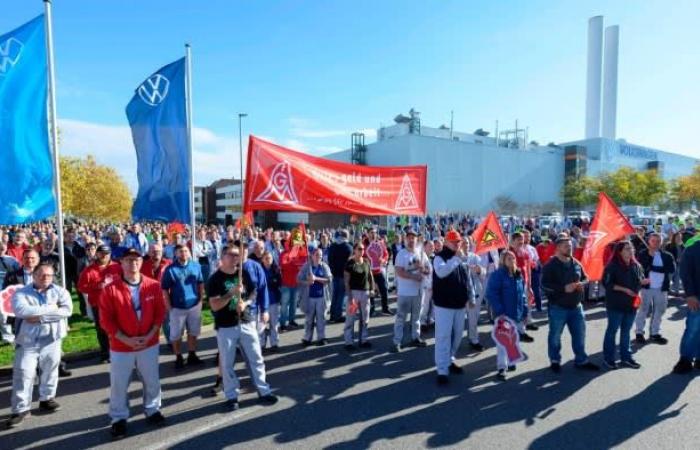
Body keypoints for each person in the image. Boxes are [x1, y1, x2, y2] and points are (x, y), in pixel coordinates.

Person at [99, 248, 166, 439]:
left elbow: (160, 313)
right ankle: (118, 418)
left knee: (152, 379)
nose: (133, 263)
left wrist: (151, 334)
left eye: (136, 260)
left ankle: (152, 409)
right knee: (119, 384)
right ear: (121, 263)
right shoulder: (110, 289)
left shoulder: (153, 285)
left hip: (149, 342)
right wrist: (125, 338)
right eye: (128, 260)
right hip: (122, 346)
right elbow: (106, 320)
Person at [206, 245, 278, 411]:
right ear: (222, 257)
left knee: (256, 358)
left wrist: (245, 302)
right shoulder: (215, 279)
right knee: (227, 363)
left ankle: (263, 390)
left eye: (237, 255)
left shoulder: (243, 273)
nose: (235, 258)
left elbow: (253, 292)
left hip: (246, 322)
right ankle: (231, 396)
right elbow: (215, 305)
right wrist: (231, 293)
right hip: (226, 326)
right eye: (231, 255)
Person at [7, 263, 73, 428]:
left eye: (49, 276)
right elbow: (22, 311)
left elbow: (67, 310)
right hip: (28, 341)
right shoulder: (21, 293)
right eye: (42, 275)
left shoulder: (60, 291)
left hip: (52, 338)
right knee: (23, 373)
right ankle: (21, 409)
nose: (46, 278)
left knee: (50, 369)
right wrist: (52, 308)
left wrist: (41, 317)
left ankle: (47, 398)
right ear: (34, 275)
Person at [541, 235, 599, 373]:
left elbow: (586, 278)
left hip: (576, 307)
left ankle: (581, 360)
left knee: (580, 335)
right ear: (558, 248)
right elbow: (544, 285)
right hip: (558, 308)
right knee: (555, 336)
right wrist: (563, 288)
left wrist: (582, 284)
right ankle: (554, 360)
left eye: (571, 246)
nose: (570, 248)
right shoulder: (550, 266)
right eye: (566, 246)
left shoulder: (576, 263)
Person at [432, 230, 472, 385]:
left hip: (459, 304)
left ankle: (450, 359)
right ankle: (442, 370)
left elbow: (465, 280)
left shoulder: (459, 259)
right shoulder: (439, 258)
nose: (457, 244)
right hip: (444, 304)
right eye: (454, 241)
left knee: (457, 336)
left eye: (458, 241)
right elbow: (441, 272)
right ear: (447, 242)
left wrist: (468, 297)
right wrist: (456, 258)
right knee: (443, 336)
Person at [601, 241, 645, 370]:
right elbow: (607, 284)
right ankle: (608, 359)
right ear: (619, 251)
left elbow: (639, 280)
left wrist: (642, 284)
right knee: (612, 331)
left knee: (626, 332)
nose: (631, 250)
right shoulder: (612, 266)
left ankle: (626, 357)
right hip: (616, 304)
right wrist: (625, 290)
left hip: (631, 305)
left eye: (632, 248)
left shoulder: (636, 265)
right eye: (627, 248)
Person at [161, 244, 205, 369]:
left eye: (186, 251)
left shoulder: (196, 266)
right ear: (176, 254)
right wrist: (169, 306)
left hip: (194, 305)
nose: (184, 253)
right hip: (177, 307)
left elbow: (200, 283)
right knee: (176, 335)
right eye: (181, 251)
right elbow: (164, 289)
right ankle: (178, 357)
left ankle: (192, 355)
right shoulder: (170, 269)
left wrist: (201, 300)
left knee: (193, 332)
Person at [486, 251, 528, 381]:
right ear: (503, 260)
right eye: (509, 258)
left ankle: (511, 361)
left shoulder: (517, 274)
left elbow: (522, 295)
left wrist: (525, 311)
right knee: (503, 342)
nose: (512, 260)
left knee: (513, 339)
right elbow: (491, 293)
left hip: (516, 313)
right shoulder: (497, 275)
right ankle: (501, 368)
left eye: (513, 258)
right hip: (503, 314)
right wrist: (499, 310)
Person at [78, 244, 122, 363]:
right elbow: (81, 287)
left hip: (117, 303)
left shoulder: (117, 267)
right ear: (97, 254)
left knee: (119, 327)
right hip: (99, 305)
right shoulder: (89, 270)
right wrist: (97, 286)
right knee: (102, 329)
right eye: (101, 253)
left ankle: (119, 350)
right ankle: (105, 353)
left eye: (106, 253)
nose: (104, 256)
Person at [391, 229, 430, 353]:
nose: (411, 240)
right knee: (401, 317)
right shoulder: (401, 254)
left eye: (413, 237)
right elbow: (399, 271)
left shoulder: (421, 254)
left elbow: (428, 270)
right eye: (409, 238)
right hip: (404, 292)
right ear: (405, 239)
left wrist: (422, 268)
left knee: (416, 317)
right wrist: (414, 276)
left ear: (416, 239)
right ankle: (397, 341)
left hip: (418, 292)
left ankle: (415, 337)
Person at [634, 233, 676, 346]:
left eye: (658, 241)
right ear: (649, 241)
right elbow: (640, 268)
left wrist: (654, 268)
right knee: (643, 310)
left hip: (662, 288)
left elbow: (671, 269)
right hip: (646, 288)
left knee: (659, 311)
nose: (656, 243)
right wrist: (650, 258)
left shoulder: (667, 255)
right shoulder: (643, 253)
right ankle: (639, 332)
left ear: (661, 242)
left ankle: (654, 333)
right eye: (653, 241)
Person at [673, 238, 700, 373]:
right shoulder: (692, 249)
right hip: (696, 297)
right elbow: (685, 273)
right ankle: (685, 360)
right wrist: (689, 295)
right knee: (693, 329)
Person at [297, 248, 332, 346]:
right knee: (309, 319)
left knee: (321, 318)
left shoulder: (324, 266)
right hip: (309, 297)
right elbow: (299, 279)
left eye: (320, 255)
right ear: (312, 256)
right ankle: (307, 338)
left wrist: (316, 278)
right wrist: (307, 282)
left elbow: (329, 279)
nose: (318, 257)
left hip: (321, 297)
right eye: (316, 255)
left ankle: (321, 337)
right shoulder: (306, 266)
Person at [343, 242, 375, 350]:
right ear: (354, 250)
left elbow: (370, 277)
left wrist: (372, 289)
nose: (362, 251)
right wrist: (350, 296)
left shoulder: (366, 261)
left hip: (365, 294)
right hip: (354, 293)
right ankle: (349, 342)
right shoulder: (350, 263)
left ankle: (364, 340)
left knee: (365, 318)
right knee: (350, 319)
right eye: (359, 249)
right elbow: (346, 281)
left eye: (363, 249)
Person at [141, 243, 172, 346]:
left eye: (158, 251)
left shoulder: (169, 264)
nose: (155, 254)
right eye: (153, 252)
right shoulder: (142, 265)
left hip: (165, 297)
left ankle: (171, 342)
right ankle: (151, 343)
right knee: (149, 323)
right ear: (149, 253)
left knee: (167, 322)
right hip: (148, 299)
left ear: (162, 252)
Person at [462, 238, 486, 352]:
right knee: (457, 319)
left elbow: (483, 272)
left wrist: (479, 270)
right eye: (461, 242)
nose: (464, 245)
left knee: (473, 317)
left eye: (466, 242)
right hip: (460, 292)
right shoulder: (454, 257)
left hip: (475, 291)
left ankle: (474, 339)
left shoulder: (475, 257)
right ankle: (453, 341)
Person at [328, 230, 353, 323]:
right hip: (344, 274)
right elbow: (350, 263)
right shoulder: (348, 247)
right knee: (341, 295)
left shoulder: (333, 246)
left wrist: (332, 270)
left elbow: (329, 260)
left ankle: (332, 314)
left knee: (335, 294)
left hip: (334, 273)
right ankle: (338, 315)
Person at [366, 228, 391, 315]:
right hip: (368, 272)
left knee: (384, 289)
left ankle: (385, 308)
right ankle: (371, 309)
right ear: (367, 234)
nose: (373, 234)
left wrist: (384, 260)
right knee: (370, 291)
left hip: (379, 271)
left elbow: (386, 254)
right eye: (371, 233)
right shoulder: (364, 244)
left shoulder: (380, 243)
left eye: (375, 233)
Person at [260, 251, 282, 352]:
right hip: (262, 302)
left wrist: (271, 283)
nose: (268, 260)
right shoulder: (259, 270)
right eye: (266, 258)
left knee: (274, 323)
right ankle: (261, 343)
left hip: (274, 300)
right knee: (262, 324)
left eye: (270, 258)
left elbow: (279, 283)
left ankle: (274, 343)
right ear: (262, 259)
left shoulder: (276, 270)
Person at [0, 241, 20, 344]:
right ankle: (7, 335)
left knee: (5, 315)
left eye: (2, 248)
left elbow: (19, 273)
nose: (1, 250)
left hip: (6, 292)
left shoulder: (12, 261)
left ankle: (9, 335)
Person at [419, 239, 436, 331]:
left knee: (431, 305)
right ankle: (422, 323)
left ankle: (429, 320)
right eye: (430, 246)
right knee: (424, 306)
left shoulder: (433, 257)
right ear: (424, 247)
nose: (432, 248)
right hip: (424, 285)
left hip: (431, 285)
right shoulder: (422, 257)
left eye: (433, 246)